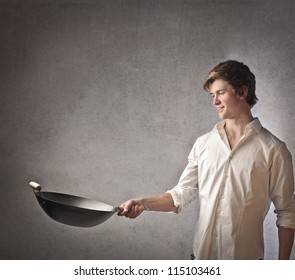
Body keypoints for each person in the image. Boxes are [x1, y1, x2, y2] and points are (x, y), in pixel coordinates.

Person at [118, 60, 295, 260]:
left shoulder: (274, 150)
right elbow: (180, 195)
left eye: (220, 93)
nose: (215, 102)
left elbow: (287, 213)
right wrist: (142, 203)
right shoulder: (203, 144)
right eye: (212, 95)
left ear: (242, 92)